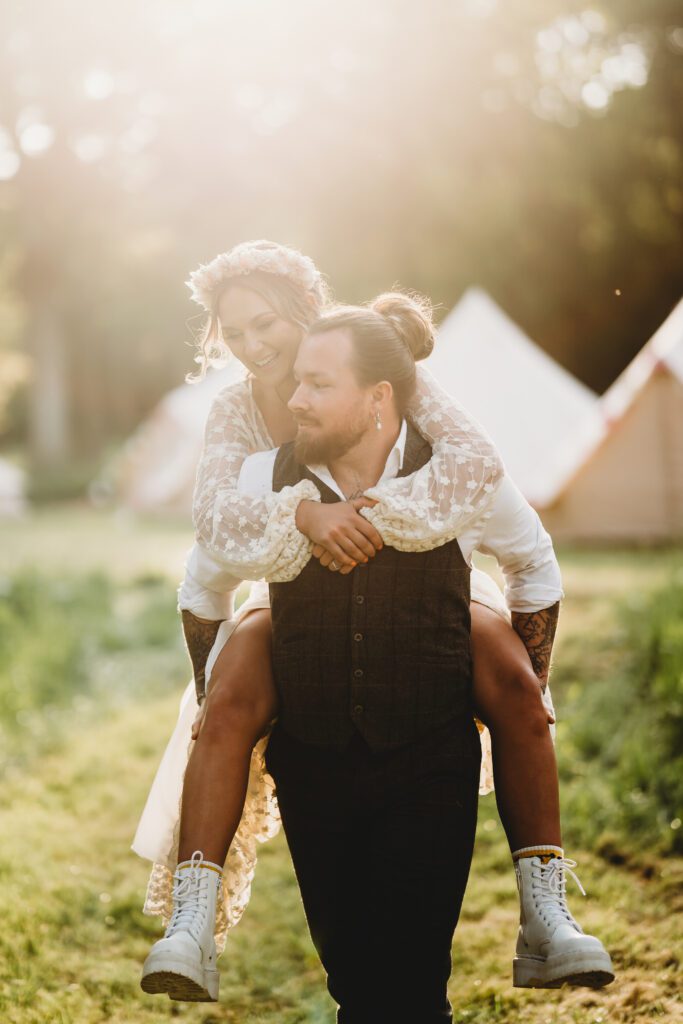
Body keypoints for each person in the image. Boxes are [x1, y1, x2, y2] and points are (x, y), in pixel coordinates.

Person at [135, 242, 613, 1004]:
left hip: (426, 572)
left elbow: (471, 464)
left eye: (267, 326)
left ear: (307, 313)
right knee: (226, 695)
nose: (254, 348)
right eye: (236, 334)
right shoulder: (236, 413)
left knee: (512, 682)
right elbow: (217, 525)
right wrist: (301, 511)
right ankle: (190, 924)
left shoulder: (369, 364)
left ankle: (544, 910)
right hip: (283, 577)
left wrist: (386, 520)